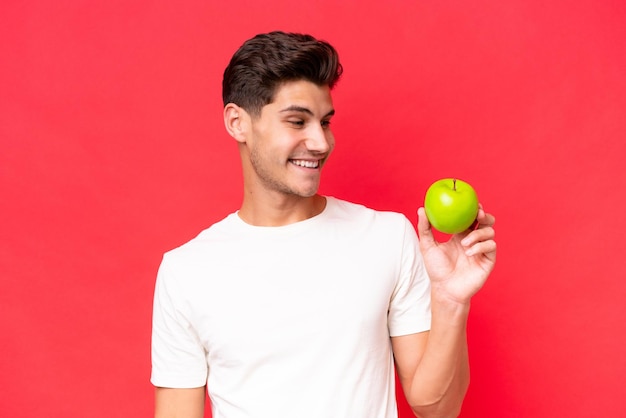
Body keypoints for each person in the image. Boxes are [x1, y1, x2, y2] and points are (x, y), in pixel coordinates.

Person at [151, 31, 496, 418]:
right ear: (237, 123)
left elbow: (437, 409)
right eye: (297, 121)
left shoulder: (386, 237)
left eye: (325, 122)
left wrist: (451, 301)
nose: (320, 142)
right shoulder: (186, 271)